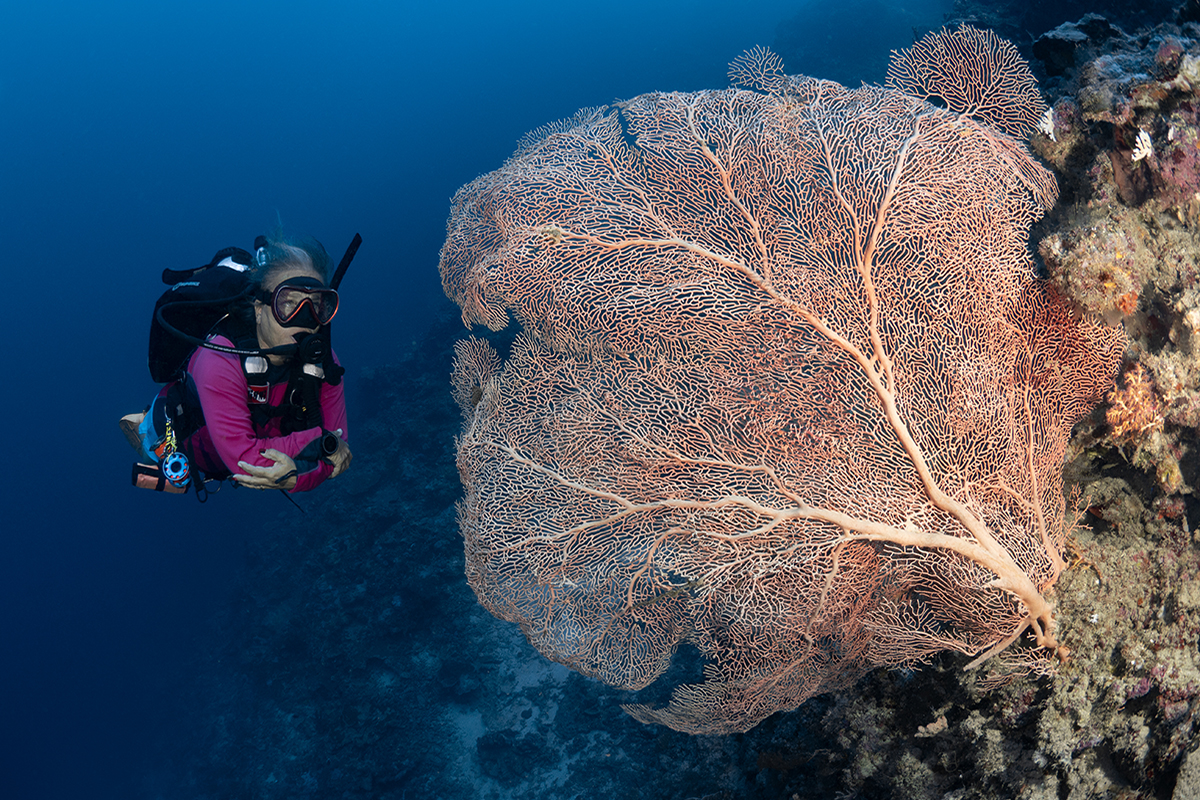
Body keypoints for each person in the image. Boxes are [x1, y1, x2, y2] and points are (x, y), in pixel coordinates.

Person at [124, 235, 353, 495]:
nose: (304, 319)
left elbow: (338, 455)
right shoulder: (219, 358)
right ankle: (146, 429)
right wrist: (320, 447)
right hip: (193, 442)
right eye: (288, 303)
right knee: (163, 448)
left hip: (263, 442)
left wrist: (301, 469)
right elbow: (247, 462)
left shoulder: (325, 361)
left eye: (315, 305)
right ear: (259, 308)